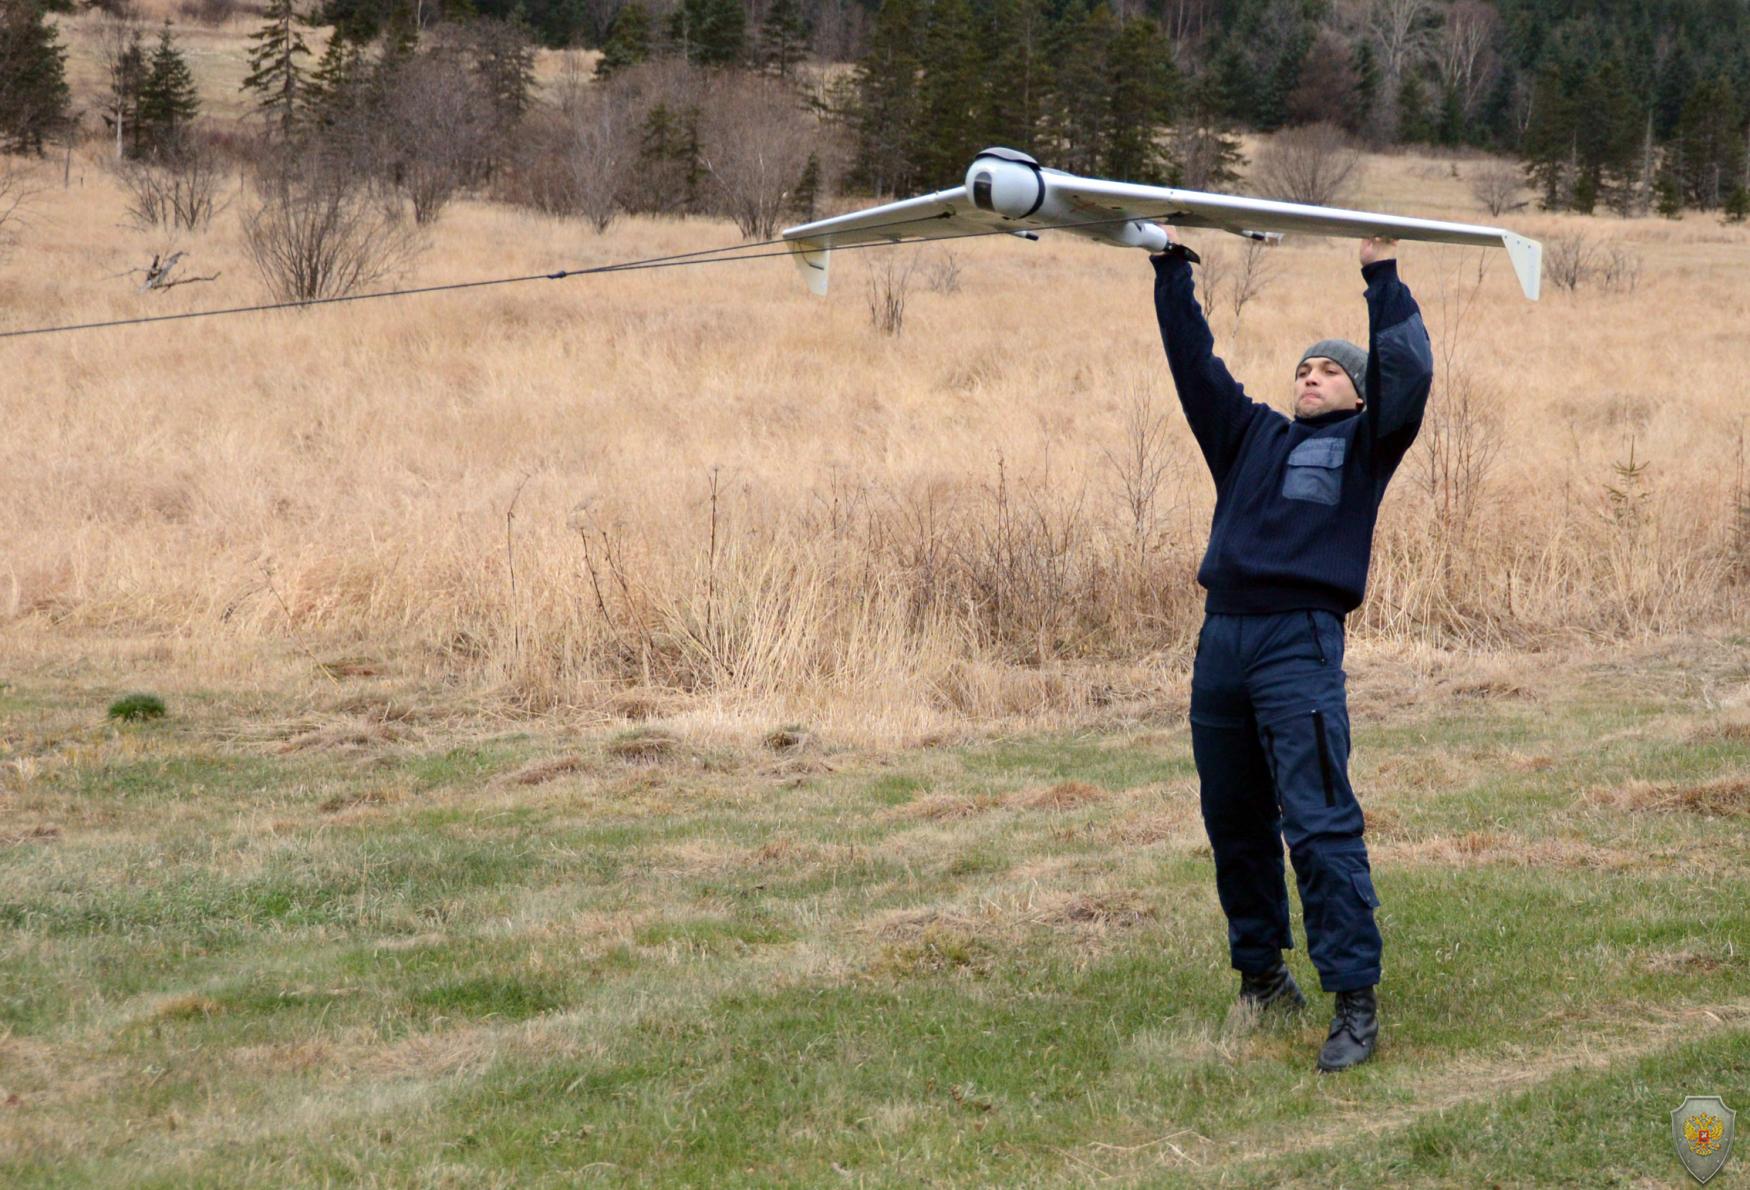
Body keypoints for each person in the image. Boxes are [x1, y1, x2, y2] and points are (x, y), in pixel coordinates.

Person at [1150, 226, 1434, 1072]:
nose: (1310, 377)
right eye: (1304, 368)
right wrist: (1173, 267)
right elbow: (1193, 365)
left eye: (1330, 371)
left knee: (1316, 822)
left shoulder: (1366, 445)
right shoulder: (1249, 437)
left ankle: (1354, 1001)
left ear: (1356, 395)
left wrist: (1380, 272)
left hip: (1298, 645)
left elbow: (1407, 372)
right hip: (1223, 641)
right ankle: (1262, 976)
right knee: (1233, 819)